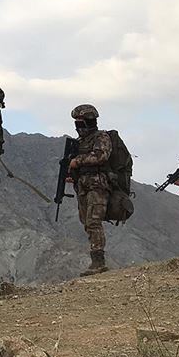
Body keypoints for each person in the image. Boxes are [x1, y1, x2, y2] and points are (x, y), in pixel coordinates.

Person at [67, 104, 111, 276]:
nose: (78, 127)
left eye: (80, 123)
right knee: (86, 222)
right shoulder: (79, 143)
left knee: (93, 221)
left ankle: (99, 262)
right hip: (83, 186)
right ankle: (96, 261)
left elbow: (101, 156)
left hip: (97, 185)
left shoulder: (101, 137)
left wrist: (78, 161)